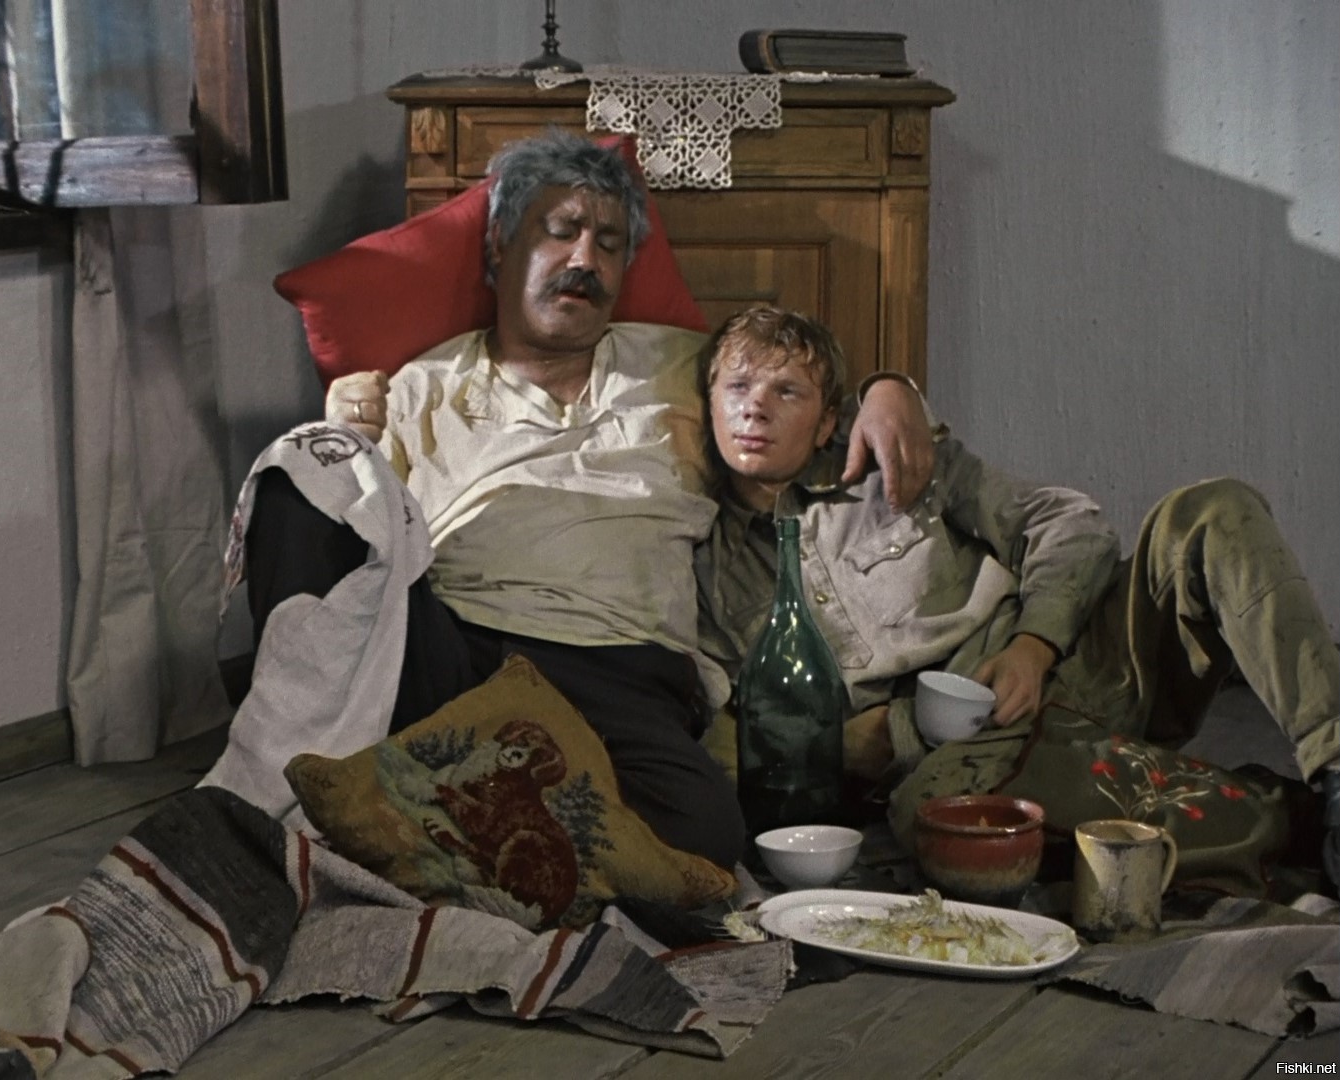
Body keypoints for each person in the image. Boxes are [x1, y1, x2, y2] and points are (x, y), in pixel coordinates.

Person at [203, 131, 936, 872]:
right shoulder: (423, 384)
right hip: (455, 658)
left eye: (610, 245)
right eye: (561, 231)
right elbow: (355, 543)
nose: (586, 258)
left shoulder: (686, 365)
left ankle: (434, 818)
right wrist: (339, 433)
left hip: (618, 673)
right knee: (295, 473)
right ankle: (289, 791)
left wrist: (888, 390)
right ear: (500, 247)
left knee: (703, 836)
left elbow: (793, 391)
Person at [693, 306, 1340, 895]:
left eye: (787, 391)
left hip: (1081, 662)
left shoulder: (895, 462)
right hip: (963, 758)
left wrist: (1034, 645)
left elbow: (1072, 524)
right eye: (738, 388)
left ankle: (1335, 771)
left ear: (828, 421)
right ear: (709, 404)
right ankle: (1292, 822)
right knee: (940, 817)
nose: (755, 409)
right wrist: (869, 740)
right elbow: (738, 728)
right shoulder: (701, 560)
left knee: (1209, 512)